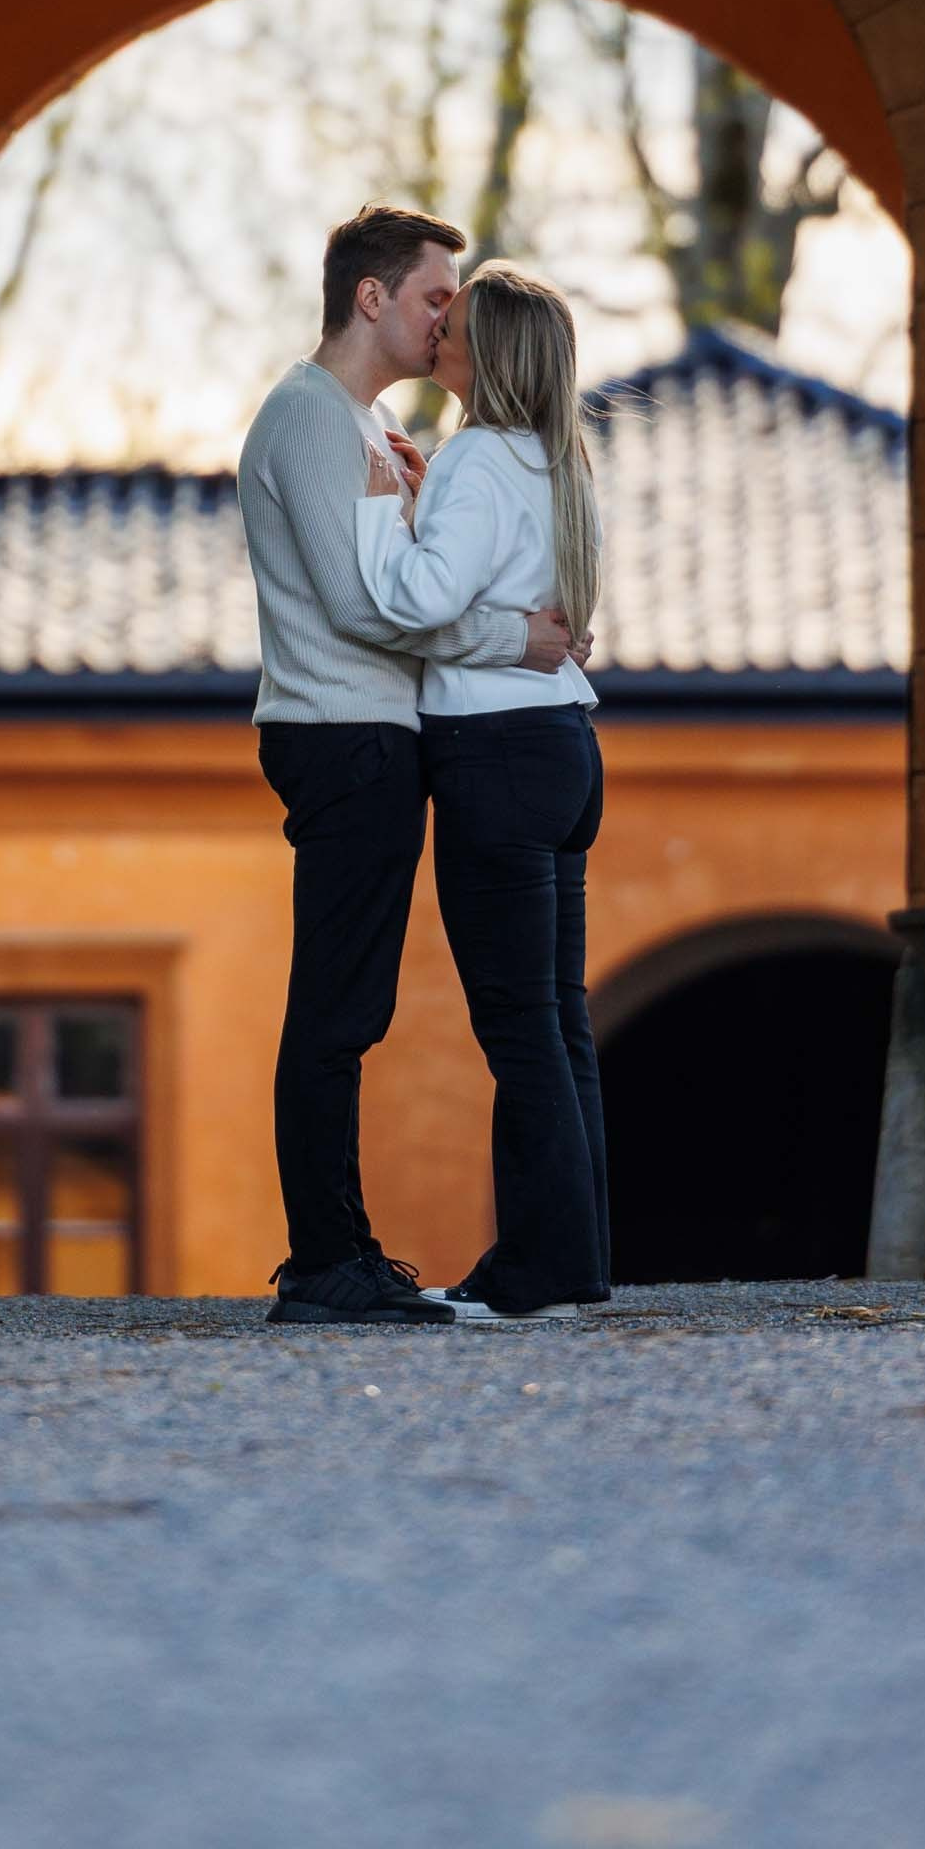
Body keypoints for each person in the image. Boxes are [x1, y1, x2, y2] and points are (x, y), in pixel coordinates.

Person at [239, 206, 581, 1328]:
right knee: (338, 1011)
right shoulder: (309, 417)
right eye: (437, 296)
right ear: (372, 298)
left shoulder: (365, 428)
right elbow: (362, 604)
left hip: (377, 738)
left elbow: (406, 580)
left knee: (358, 1007)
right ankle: (327, 1261)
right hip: (341, 735)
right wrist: (514, 640)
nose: (449, 320)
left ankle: (342, 1253)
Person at [355, 262, 607, 1323]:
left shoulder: (474, 460)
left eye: (455, 323)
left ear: (486, 353)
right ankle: (576, 1259)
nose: (437, 331)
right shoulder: (557, 465)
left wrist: (380, 515)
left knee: (517, 1028)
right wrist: (425, 501)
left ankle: (539, 1268)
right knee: (561, 1019)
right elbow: (503, 596)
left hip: (492, 755)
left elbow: (416, 602)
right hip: (564, 749)